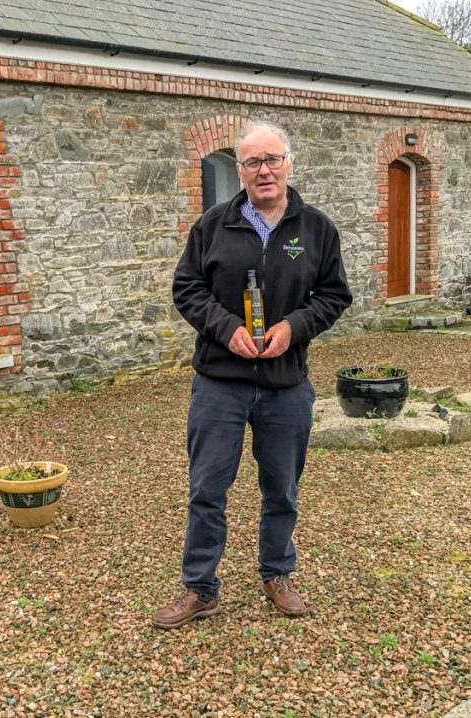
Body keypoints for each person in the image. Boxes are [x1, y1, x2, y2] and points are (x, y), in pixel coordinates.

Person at [152, 120, 353, 629]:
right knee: (207, 490)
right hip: (220, 381)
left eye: (272, 159)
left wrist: (294, 326)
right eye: (252, 162)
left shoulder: (317, 229)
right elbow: (188, 288)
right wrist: (224, 329)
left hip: (286, 382)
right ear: (238, 170)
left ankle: (277, 573)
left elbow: (334, 295)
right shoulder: (212, 226)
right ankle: (200, 589)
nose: (263, 170)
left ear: (289, 162)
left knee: (282, 487)